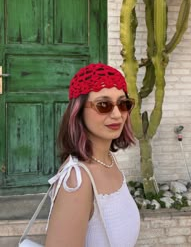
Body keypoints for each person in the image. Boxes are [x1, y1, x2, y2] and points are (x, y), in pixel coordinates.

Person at [45, 63, 140, 247]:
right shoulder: (77, 180)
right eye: (103, 105)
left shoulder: (109, 160)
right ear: (78, 111)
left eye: (123, 104)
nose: (117, 115)